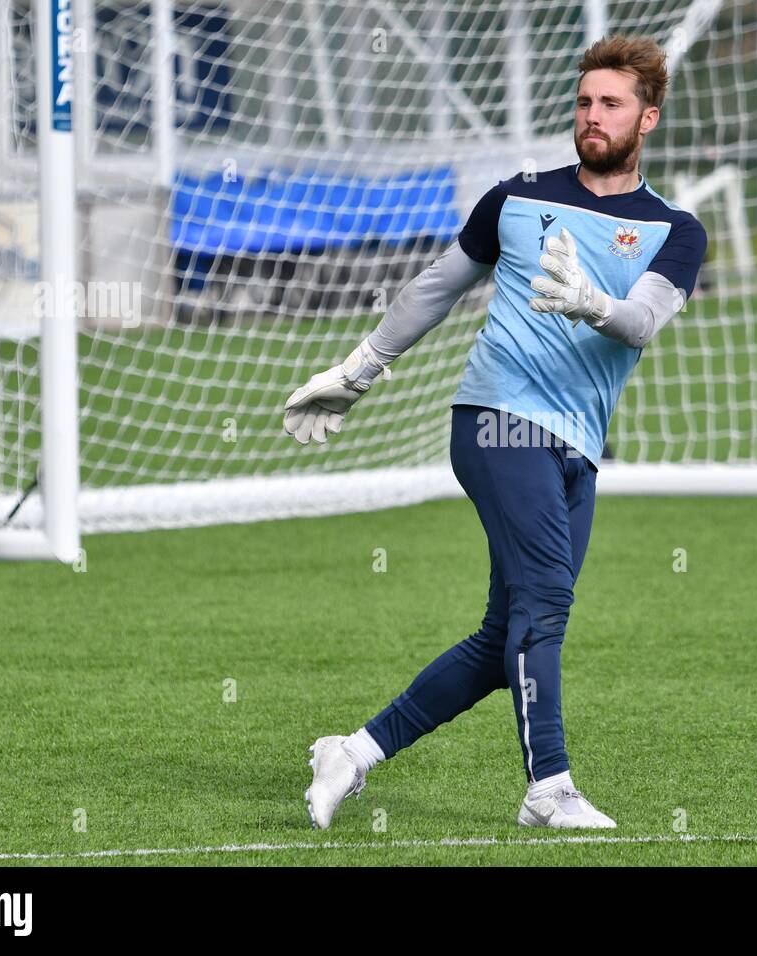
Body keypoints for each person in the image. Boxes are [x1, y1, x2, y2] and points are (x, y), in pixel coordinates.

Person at [284, 33, 708, 829]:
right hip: (496, 420)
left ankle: (354, 751)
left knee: (502, 637)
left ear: (646, 118)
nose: (592, 115)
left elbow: (641, 322)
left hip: (577, 446)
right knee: (545, 604)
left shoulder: (675, 230)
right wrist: (358, 371)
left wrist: (594, 305)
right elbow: (436, 286)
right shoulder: (515, 197)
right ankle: (549, 788)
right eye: (584, 101)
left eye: (610, 103)